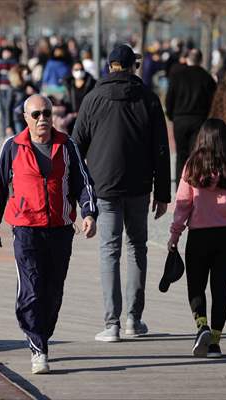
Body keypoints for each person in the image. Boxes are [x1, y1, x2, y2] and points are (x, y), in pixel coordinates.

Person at [0, 94, 97, 374]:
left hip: (60, 229)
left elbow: (83, 183)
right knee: (31, 289)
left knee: (53, 291)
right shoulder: (12, 147)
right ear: (26, 118)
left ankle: (42, 335)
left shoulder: (67, 145)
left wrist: (89, 213)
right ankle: (37, 346)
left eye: (46, 113)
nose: (42, 119)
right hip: (26, 228)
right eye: (36, 115)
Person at [72, 44, 171, 342]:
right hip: (140, 186)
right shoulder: (149, 100)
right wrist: (163, 192)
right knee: (136, 247)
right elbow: (162, 151)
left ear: (109, 66)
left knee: (109, 251)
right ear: (133, 67)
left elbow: (76, 145)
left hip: (103, 186)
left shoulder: (92, 99)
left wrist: (82, 191)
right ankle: (133, 319)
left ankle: (111, 323)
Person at [168, 119, 226, 358]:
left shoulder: (192, 165)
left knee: (196, 286)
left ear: (202, 138)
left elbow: (183, 204)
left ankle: (202, 326)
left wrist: (175, 234)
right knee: (220, 289)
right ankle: (216, 343)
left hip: (200, 235)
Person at [166, 49, 216, 183]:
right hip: (199, 120)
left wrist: (171, 116)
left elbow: (170, 98)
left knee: (180, 156)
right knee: (196, 155)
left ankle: (179, 186)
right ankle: (194, 185)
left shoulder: (177, 76)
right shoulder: (206, 77)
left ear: (188, 58)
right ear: (200, 60)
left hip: (180, 119)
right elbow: (212, 101)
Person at [63, 62, 95, 133]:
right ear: (72, 71)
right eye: (76, 69)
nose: (79, 71)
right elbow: (65, 101)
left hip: (87, 119)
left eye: (81, 69)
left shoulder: (91, 84)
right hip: (71, 120)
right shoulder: (68, 85)